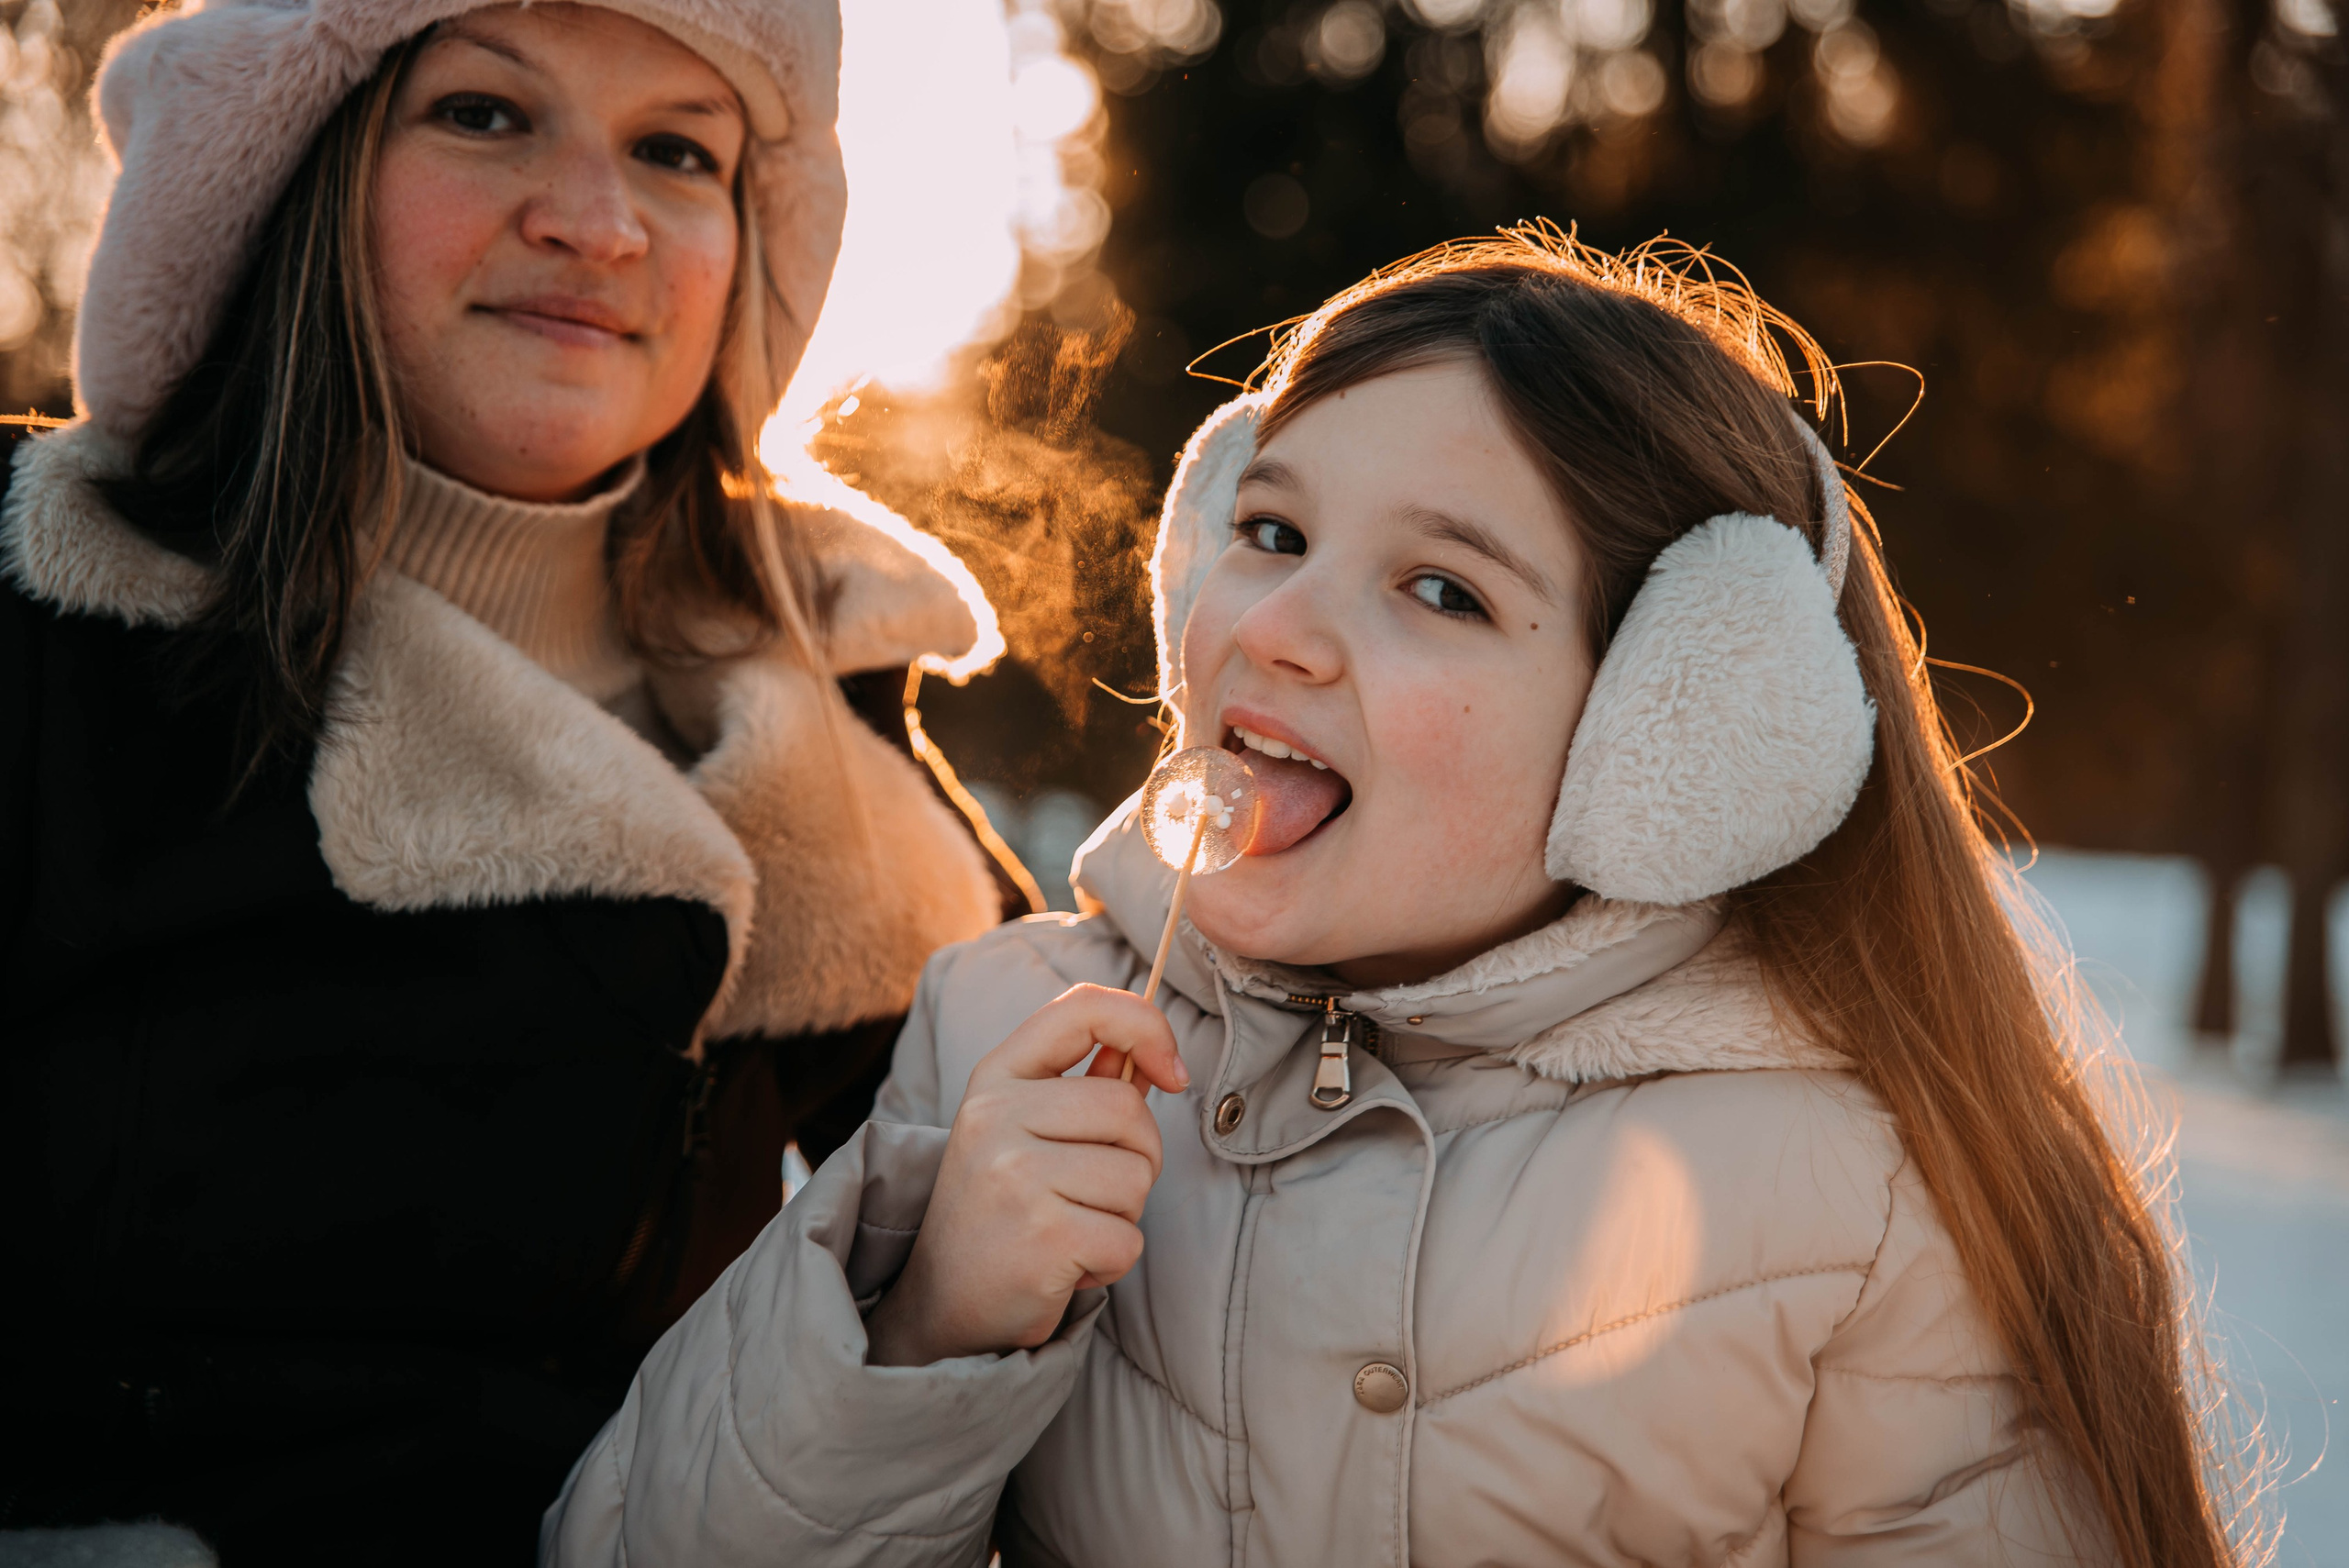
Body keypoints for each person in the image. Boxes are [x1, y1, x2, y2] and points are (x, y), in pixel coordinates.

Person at [543, 228, 2260, 1568]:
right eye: (1272, 533)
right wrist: (919, 1328)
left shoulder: (1846, 1189)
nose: (1278, 624)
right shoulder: (1007, 1033)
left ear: (1674, 731)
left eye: (1439, 588)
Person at [0, 1, 1004, 1561]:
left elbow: (1096, 1206)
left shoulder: (814, 705)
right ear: (300, 166)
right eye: (484, 114)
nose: (594, 222)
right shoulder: (59, 622)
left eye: (677, 151)